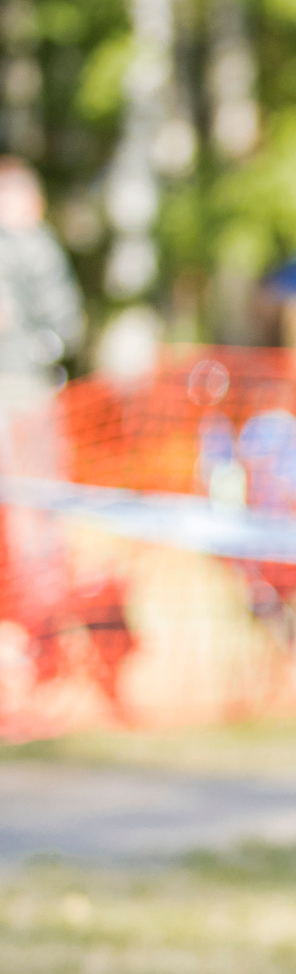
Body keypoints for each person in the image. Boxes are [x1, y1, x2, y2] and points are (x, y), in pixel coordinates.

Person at [0, 157, 83, 630]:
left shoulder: (34, 248)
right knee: (33, 506)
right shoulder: (35, 247)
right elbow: (66, 327)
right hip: (24, 392)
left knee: (33, 505)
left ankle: (39, 612)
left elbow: (63, 327)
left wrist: (33, 346)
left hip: (26, 392)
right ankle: (37, 613)